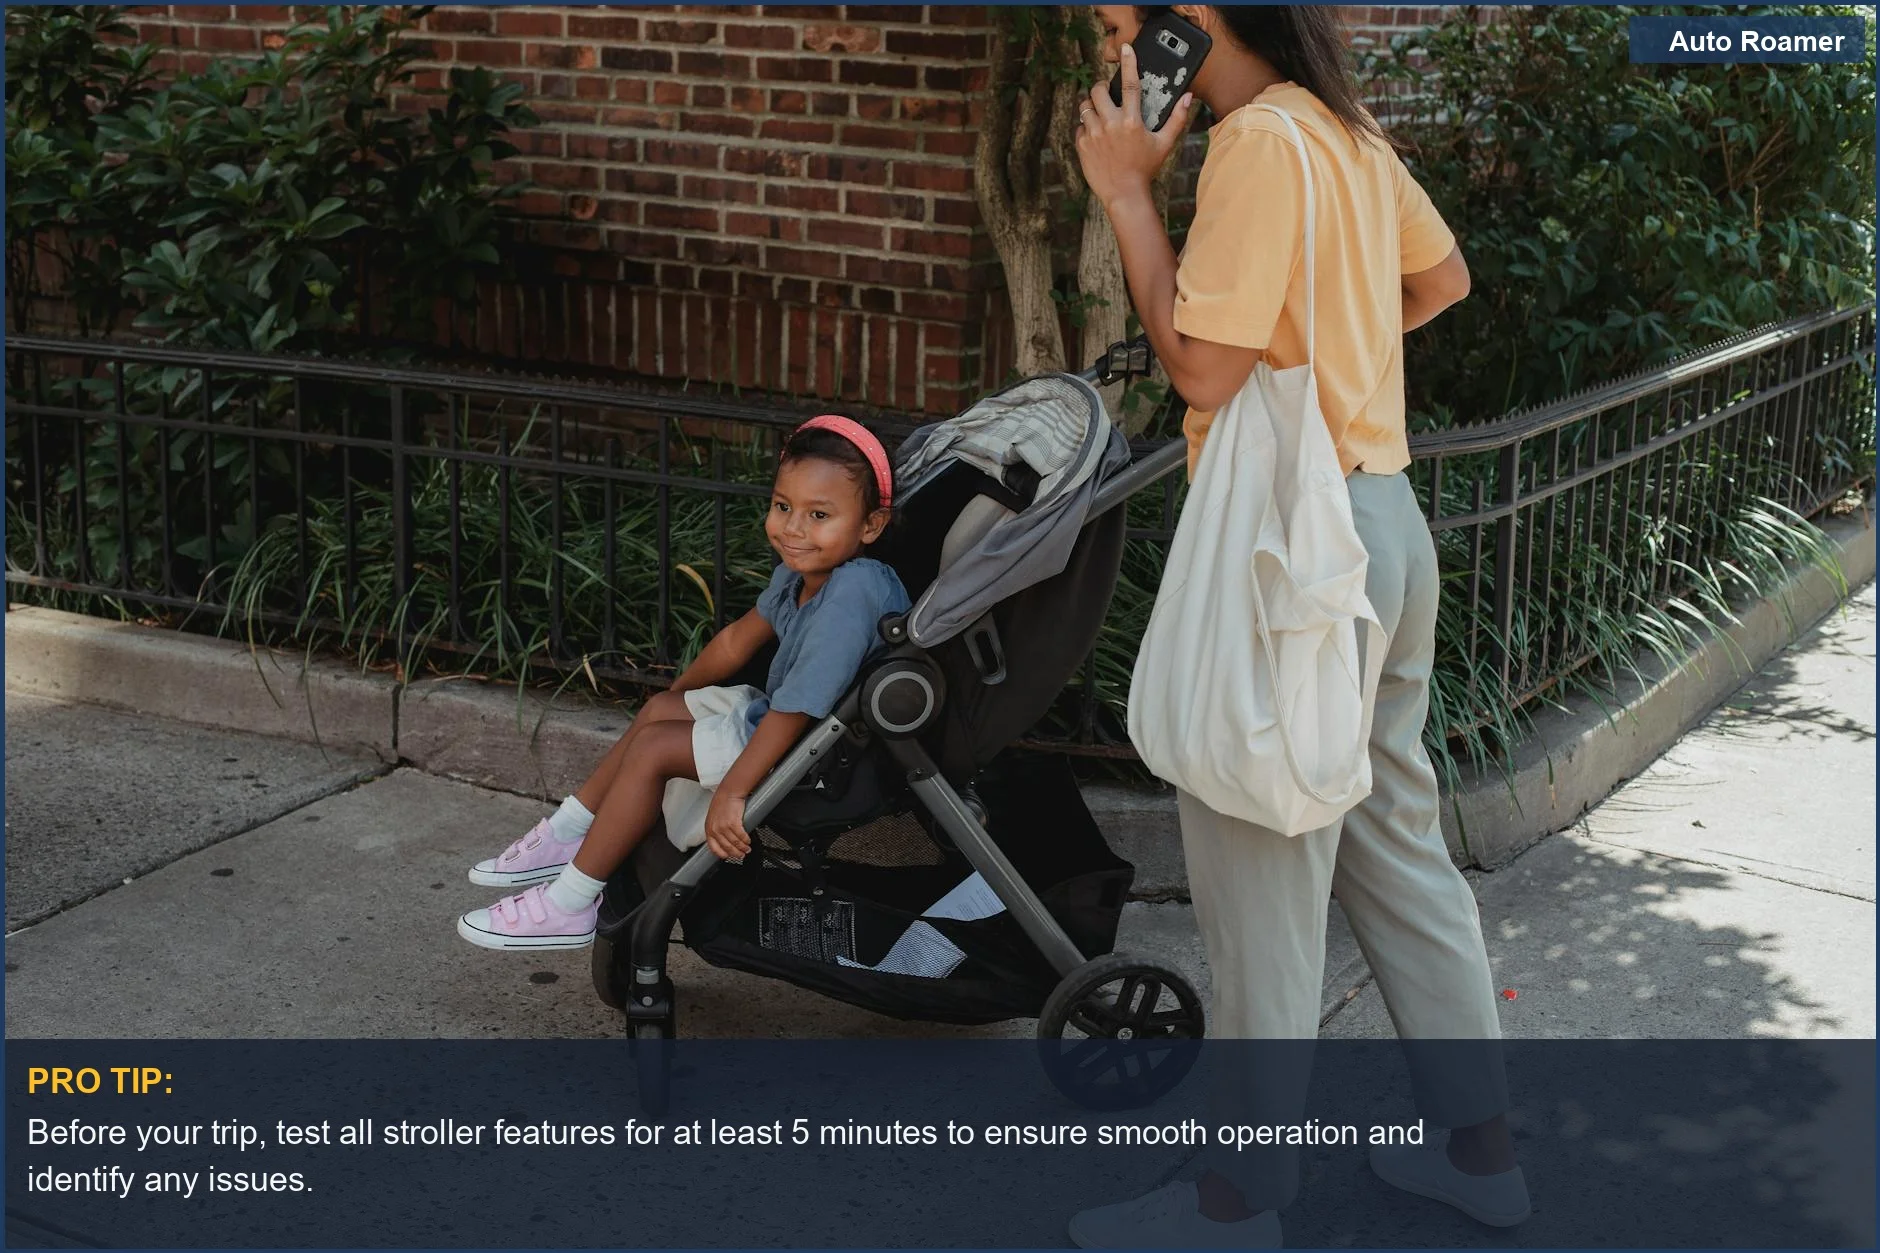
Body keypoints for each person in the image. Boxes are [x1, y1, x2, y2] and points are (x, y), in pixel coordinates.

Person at [1066, 6, 1528, 1247]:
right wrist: (1331, 355)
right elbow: (1438, 280)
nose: (1112, 40)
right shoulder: (1346, 130)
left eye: (1120, 16)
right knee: (1392, 837)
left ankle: (1235, 1203)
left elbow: (1202, 374)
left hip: (1287, 546)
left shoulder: (1258, 143)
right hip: (1378, 520)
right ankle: (1479, 1151)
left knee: (1263, 885)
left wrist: (1124, 194)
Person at [457, 416, 911, 951]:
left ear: (871, 525)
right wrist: (678, 695)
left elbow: (801, 706)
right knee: (657, 714)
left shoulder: (855, 589)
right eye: (783, 507)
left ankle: (569, 905)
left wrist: (735, 792)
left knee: (654, 749)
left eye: (818, 515)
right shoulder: (804, 570)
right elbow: (736, 642)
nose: (792, 528)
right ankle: (567, 834)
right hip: (775, 720)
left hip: (816, 748)